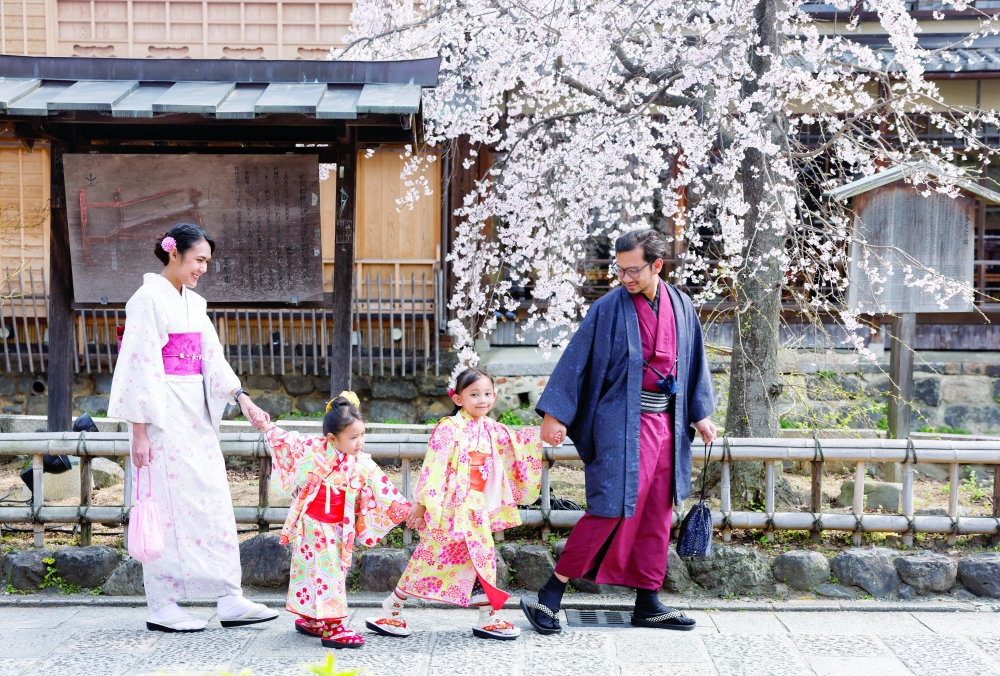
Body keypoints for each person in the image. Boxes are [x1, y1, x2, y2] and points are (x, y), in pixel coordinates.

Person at [521, 228, 717, 634]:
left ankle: (648, 602)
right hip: (621, 422)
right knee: (610, 507)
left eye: (633, 270)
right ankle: (549, 595)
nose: (625, 278)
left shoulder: (682, 305)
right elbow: (578, 359)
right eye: (619, 269)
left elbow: (694, 362)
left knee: (658, 511)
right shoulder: (609, 308)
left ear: (657, 265)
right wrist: (555, 414)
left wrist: (700, 414)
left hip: (669, 423)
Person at [109, 222, 279, 632]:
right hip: (163, 414)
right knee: (166, 504)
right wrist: (139, 432)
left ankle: (228, 596)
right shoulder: (147, 299)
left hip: (197, 414)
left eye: (207, 261)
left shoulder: (195, 305)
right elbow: (139, 365)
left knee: (213, 498)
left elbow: (212, 359)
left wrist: (243, 399)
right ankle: (163, 603)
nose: (203, 268)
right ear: (174, 253)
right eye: (199, 259)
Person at [370, 368, 544, 641]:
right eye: (474, 394)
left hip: (475, 508)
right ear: (459, 398)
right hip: (449, 509)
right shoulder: (449, 428)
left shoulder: (491, 428)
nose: (482, 399)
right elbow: (434, 466)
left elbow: (518, 442)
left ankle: (487, 616)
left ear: (495, 396)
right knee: (429, 558)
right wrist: (422, 503)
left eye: (487, 393)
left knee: (483, 558)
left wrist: (544, 433)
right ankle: (393, 607)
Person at [254, 391, 410, 648]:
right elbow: (285, 441)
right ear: (331, 438)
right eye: (353, 437)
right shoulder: (314, 450)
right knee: (326, 573)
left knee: (322, 571)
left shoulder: (361, 463)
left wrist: (409, 511)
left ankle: (313, 619)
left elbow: (385, 493)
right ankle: (333, 627)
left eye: (362, 435)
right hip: (313, 524)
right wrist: (266, 426)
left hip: (337, 527)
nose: (360, 442)